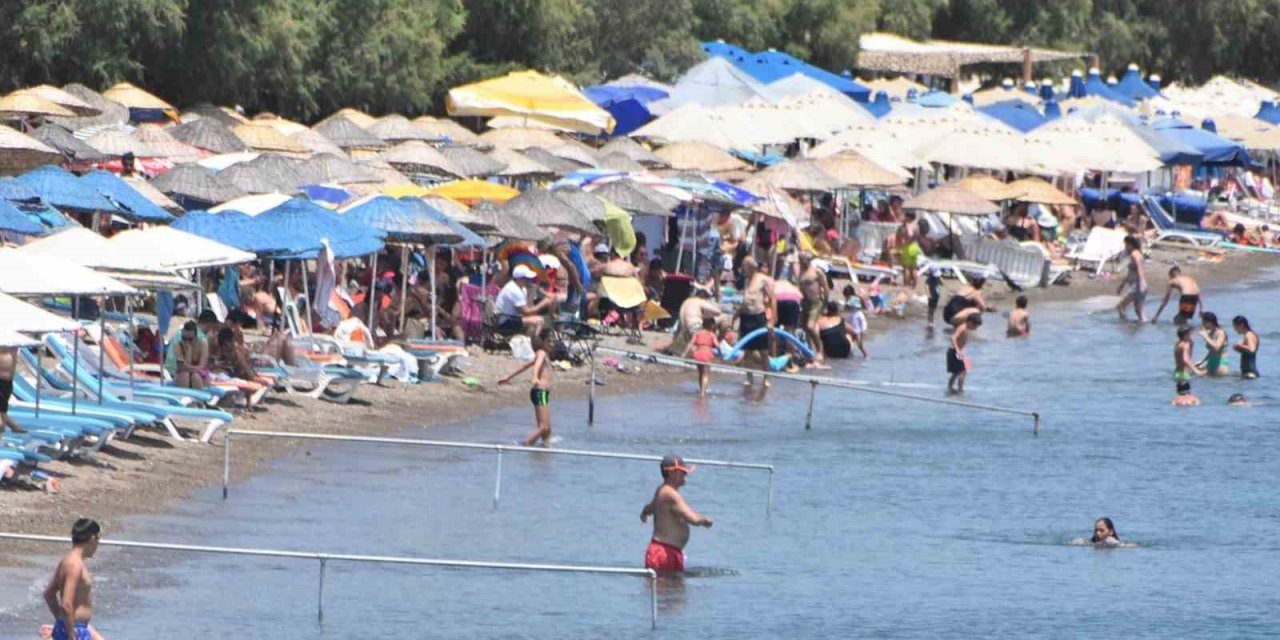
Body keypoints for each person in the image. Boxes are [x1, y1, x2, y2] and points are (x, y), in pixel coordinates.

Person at [641, 454, 712, 574]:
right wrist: (705, 520)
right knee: (666, 585)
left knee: (675, 585)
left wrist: (645, 512)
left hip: (670, 551)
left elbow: (651, 507)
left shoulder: (662, 491)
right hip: (663, 553)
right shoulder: (670, 495)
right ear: (672, 473)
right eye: (682, 472)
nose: (686, 474)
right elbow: (692, 518)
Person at [43, 519, 105, 640]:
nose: (97, 545)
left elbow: (49, 594)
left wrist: (61, 620)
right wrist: (71, 635)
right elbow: (66, 604)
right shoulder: (74, 565)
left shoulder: (67, 561)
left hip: (72, 627)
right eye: (98, 539)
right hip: (75, 630)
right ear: (92, 539)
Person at [499, 328, 554, 447]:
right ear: (543, 341)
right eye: (549, 341)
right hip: (540, 392)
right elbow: (536, 366)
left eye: (553, 341)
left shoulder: (544, 354)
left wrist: (508, 377)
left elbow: (525, 366)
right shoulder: (541, 353)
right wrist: (535, 377)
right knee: (544, 427)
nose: (551, 344)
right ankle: (526, 445)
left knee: (547, 430)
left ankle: (544, 451)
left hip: (542, 393)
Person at [736, 257, 776, 387]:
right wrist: (735, 316)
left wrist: (771, 321)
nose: (743, 269)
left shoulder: (762, 279)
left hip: (758, 316)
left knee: (763, 351)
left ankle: (766, 378)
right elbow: (745, 301)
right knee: (747, 351)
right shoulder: (746, 280)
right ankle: (749, 378)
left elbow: (772, 299)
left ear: (751, 267)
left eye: (744, 266)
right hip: (745, 317)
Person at [495, 266, 553, 336]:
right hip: (505, 321)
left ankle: (527, 339)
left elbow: (529, 308)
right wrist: (543, 304)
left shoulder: (522, 289)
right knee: (539, 321)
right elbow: (526, 312)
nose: (529, 281)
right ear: (520, 279)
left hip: (513, 318)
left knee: (535, 320)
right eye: (527, 279)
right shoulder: (513, 290)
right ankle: (530, 341)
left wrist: (531, 293)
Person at [796, 251, 828, 365]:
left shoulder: (816, 271)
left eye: (802, 259)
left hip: (816, 301)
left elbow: (825, 287)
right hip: (805, 302)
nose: (800, 261)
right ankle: (809, 351)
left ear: (808, 259)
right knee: (804, 328)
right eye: (799, 259)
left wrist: (825, 305)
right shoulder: (800, 272)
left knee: (810, 326)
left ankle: (820, 351)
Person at [681, 311, 719, 397]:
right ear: (712, 325)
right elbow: (717, 345)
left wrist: (684, 354)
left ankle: (701, 389)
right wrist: (720, 353)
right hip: (707, 354)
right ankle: (702, 393)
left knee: (701, 373)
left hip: (698, 354)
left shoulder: (697, 333)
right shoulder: (712, 334)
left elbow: (690, 343)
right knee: (706, 374)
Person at [1115, 235, 1148, 323]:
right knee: (1139, 312)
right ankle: (1142, 326)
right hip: (1141, 286)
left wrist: (1141, 284)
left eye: (1126, 245)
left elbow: (1139, 268)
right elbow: (1131, 273)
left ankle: (1124, 324)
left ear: (1131, 245)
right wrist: (1122, 285)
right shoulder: (1138, 253)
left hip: (1137, 286)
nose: (1125, 247)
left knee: (1120, 306)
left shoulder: (1134, 254)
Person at [947, 314, 981, 395]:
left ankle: (950, 388)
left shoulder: (965, 328)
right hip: (954, 351)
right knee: (963, 371)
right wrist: (958, 350)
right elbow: (953, 338)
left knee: (957, 372)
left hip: (958, 352)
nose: (976, 328)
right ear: (970, 322)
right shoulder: (962, 327)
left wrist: (962, 351)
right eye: (975, 326)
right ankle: (960, 390)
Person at [173, 320, 208, 390]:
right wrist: (188, 351)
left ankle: (199, 396)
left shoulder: (202, 344)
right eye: (184, 338)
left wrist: (188, 368)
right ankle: (184, 395)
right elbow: (181, 367)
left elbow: (202, 366)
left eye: (190, 339)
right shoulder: (178, 346)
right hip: (183, 374)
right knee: (185, 375)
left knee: (195, 377)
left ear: (196, 337)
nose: (187, 342)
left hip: (198, 375)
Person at [1173, 325, 1204, 406]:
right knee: (1188, 397)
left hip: (1177, 373)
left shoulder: (1178, 344)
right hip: (1184, 374)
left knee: (1179, 395)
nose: (1192, 335)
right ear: (1186, 335)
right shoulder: (1185, 345)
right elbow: (1186, 359)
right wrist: (1196, 371)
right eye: (1190, 334)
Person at [0, 345, 26, 434]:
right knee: (1, 413)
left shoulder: (13, 345)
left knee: (3, 409)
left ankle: (14, 427)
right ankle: (14, 427)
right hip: (2, 381)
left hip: (8, 383)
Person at [895, 211, 922, 290]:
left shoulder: (906, 226)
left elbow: (909, 235)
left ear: (908, 217)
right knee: (913, 267)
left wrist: (904, 243)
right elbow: (917, 236)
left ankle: (906, 284)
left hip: (908, 247)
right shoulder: (916, 226)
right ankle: (915, 285)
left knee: (906, 267)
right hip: (915, 247)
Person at [841, 285, 869, 359]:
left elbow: (846, 307)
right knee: (855, 340)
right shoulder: (856, 298)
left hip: (855, 318)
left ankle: (865, 355)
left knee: (857, 341)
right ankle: (863, 355)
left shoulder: (851, 299)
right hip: (855, 316)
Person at [1198, 312, 1230, 376]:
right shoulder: (1210, 333)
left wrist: (1206, 337)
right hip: (1211, 361)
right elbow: (1211, 351)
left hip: (1220, 362)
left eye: (1203, 322)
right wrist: (1202, 361)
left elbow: (1217, 348)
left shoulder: (1221, 333)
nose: (1202, 324)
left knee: (1219, 380)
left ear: (1209, 323)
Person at [924, 262, 943, 329]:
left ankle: (931, 322)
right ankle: (930, 322)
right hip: (932, 295)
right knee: (931, 310)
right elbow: (926, 285)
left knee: (934, 309)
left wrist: (940, 280)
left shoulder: (937, 277)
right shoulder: (930, 277)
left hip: (936, 295)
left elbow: (942, 283)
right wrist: (928, 294)